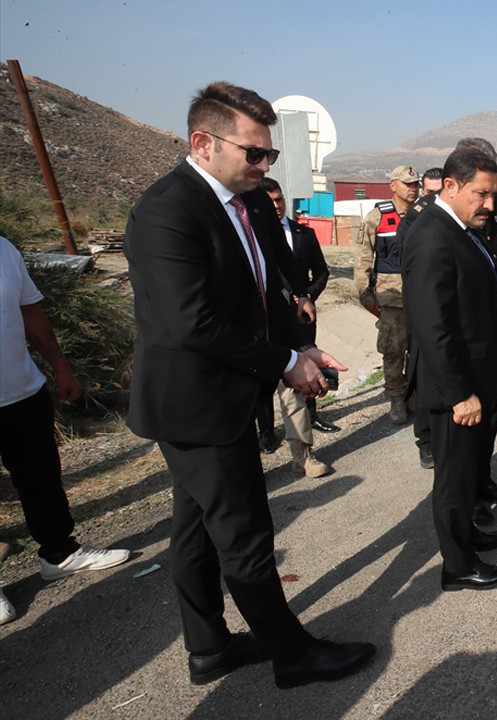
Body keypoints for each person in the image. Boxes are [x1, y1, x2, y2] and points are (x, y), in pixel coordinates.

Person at [124, 81, 374, 687]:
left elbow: (271, 289)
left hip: (230, 390)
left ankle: (209, 649)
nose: (264, 166)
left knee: (195, 527)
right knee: (243, 531)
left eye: (271, 156)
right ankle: (292, 653)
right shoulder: (167, 211)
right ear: (203, 144)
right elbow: (193, 322)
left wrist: (302, 342)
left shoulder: (253, 200)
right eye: (253, 153)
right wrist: (285, 362)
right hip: (194, 403)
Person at [401, 145, 497, 592]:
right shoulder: (433, 235)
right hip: (455, 387)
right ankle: (457, 565)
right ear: (450, 186)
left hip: (475, 378)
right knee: (452, 481)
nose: (489, 204)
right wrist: (459, 393)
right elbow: (432, 327)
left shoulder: (461, 228)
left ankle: (468, 538)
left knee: (468, 470)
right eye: (480, 194)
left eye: (493, 195)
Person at [0, 236, 130, 625]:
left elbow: (31, 314)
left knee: (40, 477)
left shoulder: (4, 249)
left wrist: (61, 367)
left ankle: (59, 554)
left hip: (21, 391)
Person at [261, 177, 333, 478]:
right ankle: (265, 431)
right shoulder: (249, 236)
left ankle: (302, 453)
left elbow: (321, 271)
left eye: (279, 200)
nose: (276, 206)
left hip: (298, 323)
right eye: (269, 201)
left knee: (295, 388)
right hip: (260, 324)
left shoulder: (303, 233)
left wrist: (305, 296)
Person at [354, 165, 420, 425]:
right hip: (391, 298)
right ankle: (396, 398)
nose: (412, 189)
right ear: (393, 185)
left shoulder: (423, 215)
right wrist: (365, 294)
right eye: (407, 184)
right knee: (393, 351)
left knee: (418, 352)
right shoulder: (377, 217)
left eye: (415, 184)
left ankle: (413, 394)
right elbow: (362, 258)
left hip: (420, 297)